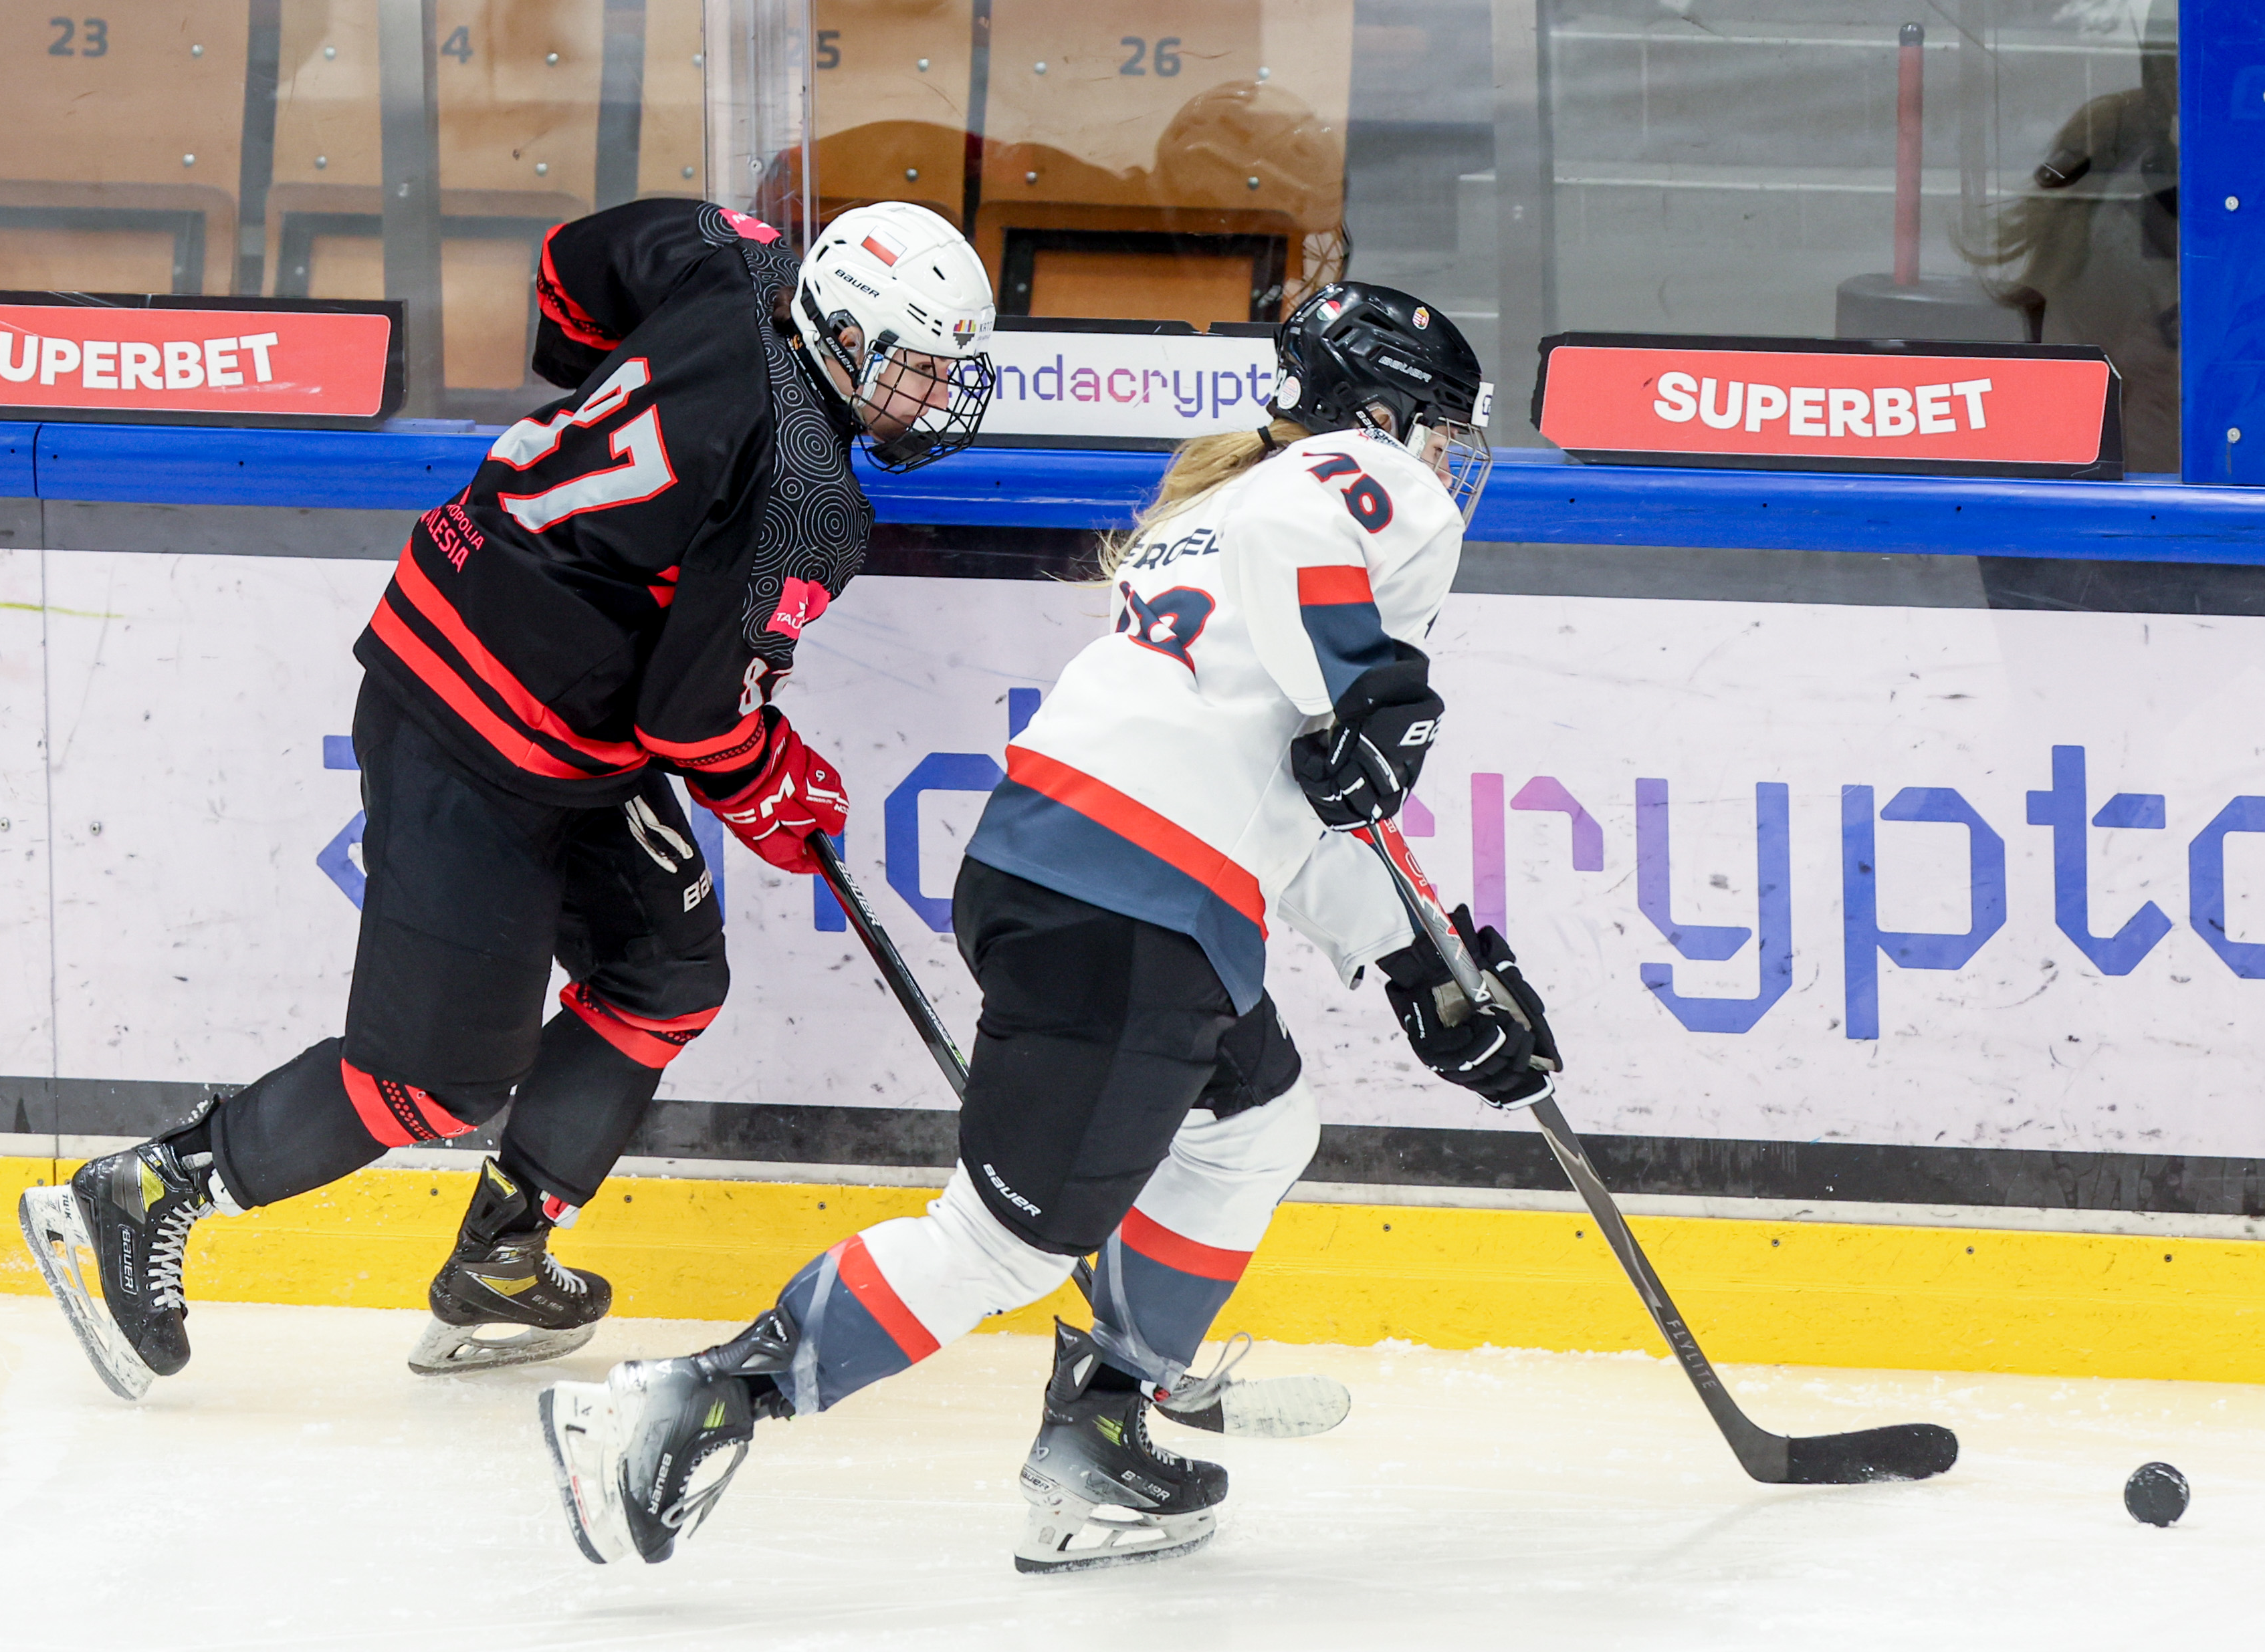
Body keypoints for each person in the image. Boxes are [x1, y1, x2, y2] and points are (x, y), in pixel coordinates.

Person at [539, 282, 1565, 1574]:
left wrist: (1421, 963)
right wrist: (1373, 685)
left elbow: (1284, 793)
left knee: (1257, 1123)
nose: (1442, 464)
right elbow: (1319, 566)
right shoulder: (1345, 484)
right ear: (1378, 415)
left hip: (1064, 872)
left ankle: (1103, 1432)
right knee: (1001, 1245)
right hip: (1137, 908)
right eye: (1437, 431)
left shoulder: (1214, 519)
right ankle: (685, 1405)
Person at [16, 197, 1000, 1398]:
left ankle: (501, 1257)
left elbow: (572, 267)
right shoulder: (807, 501)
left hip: (547, 709)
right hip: (472, 735)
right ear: (840, 335)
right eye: (912, 368)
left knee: (665, 975)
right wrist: (776, 785)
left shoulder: (737, 259)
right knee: (435, 1081)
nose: (930, 399)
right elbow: (692, 722)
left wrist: (615, 418)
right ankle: (149, 1189)